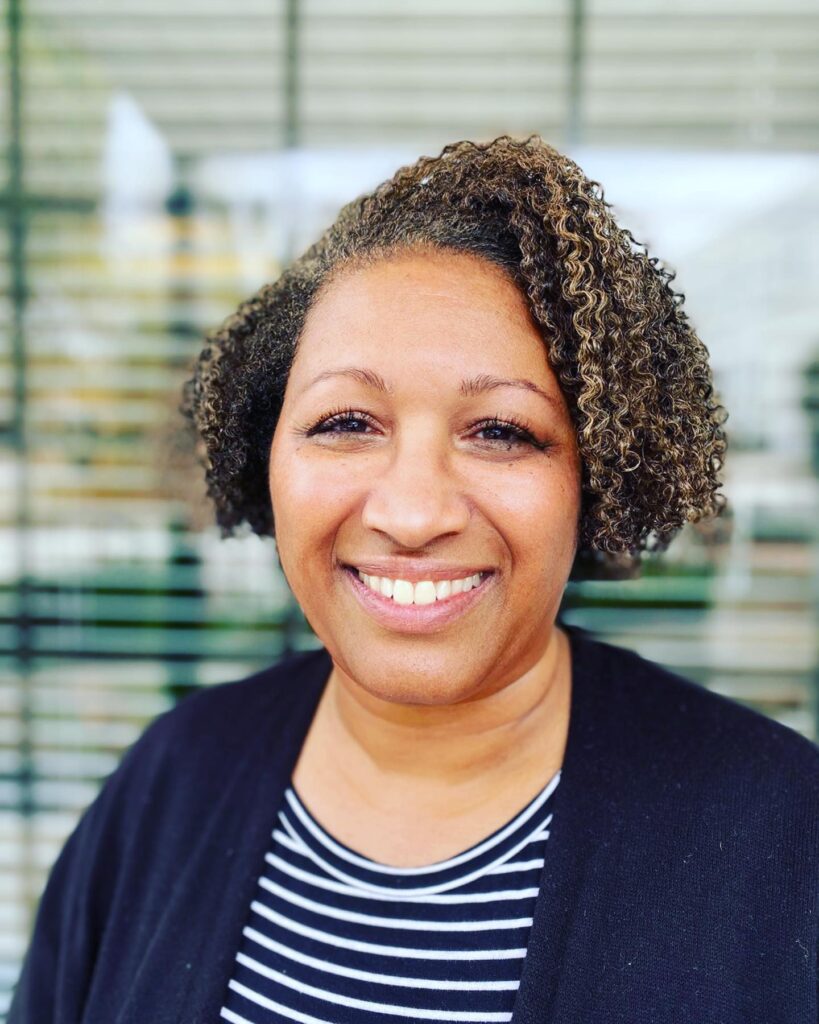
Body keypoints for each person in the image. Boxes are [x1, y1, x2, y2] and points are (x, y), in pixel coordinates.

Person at [9, 135, 818, 1024]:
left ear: (593, 478)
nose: (412, 510)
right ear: (265, 455)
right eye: (346, 420)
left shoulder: (780, 839)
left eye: (502, 431)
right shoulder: (172, 783)